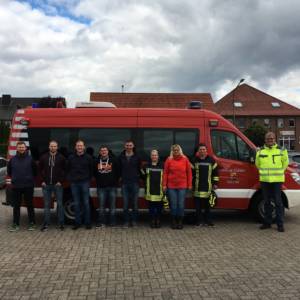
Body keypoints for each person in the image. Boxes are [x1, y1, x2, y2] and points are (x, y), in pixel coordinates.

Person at [255, 132, 289, 232]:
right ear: (265, 140)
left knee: (278, 202)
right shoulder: (260, 151)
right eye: (268, 139)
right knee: (267, 202)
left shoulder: (281, 150)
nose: (270, 140)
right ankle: (267, 222)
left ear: (275, 139)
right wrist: (262, 172)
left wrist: (281, 171)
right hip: (265, 180)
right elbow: (257, 164)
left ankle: (280, 224)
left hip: (277, 180)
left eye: (272, 139)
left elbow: (286, 162)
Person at [7, 141, 37, 231]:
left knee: (30, 205)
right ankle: (15, 224)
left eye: (23, 147)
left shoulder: (31, 159)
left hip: (28, 186)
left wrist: (29, 179)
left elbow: (35, 172)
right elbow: (9, 172)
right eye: (19, 147)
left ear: (26, 148)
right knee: (16, 206)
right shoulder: (12, 160)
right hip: (16, 186)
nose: (21, 148)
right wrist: (15, 179)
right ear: (17, 148)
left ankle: (32, 223)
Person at [163, 144, 192, 229]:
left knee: (181, 205)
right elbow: (165, 173)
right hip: (171, 186)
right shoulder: (169, 160)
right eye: (174, 150)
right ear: (172, 151)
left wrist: (190, 184)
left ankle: (180, 222)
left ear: (180, 150)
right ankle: (173, 221)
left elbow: (189, 173)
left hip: (182, 186)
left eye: (177, 150)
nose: (176, 151)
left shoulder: (185, 159)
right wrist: (164, 184)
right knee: (174, 205)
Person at [39, 140, 66, 231]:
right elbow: (39, 170)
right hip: (46, 185)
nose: (53, 148)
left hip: (57, 185)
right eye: (51, 146)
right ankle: (46, 224)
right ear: (49, 147)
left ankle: (61, 223)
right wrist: (42, 181)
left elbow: (65, 171)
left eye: (54, 146)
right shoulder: (43, 157)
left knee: (60, 204)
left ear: (57, 147)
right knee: (46, 205)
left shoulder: (62, 158)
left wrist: (61, 181)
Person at [67, 140, 94, 230]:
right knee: (77, 203)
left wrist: (88, 179)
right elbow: (68, 169)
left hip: (84, 183)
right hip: (74, 183)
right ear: (75, 147)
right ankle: (77, 223)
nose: (79, 147)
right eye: (78, 146)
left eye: (81, 146)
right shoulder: (71, 158)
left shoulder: (88, 157)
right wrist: (70, 179)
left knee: (86, 203)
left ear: (84, 147)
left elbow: (91, 170)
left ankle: (88, 223)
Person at [191, 143, 219, 227]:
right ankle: (199, 221)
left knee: (208, 206)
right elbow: (191, 174)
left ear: (206, 151)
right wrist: (191, 184)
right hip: (197, 187)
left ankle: (208, 221)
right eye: (200, 150)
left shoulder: (211, 160)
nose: (202, 151)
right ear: (198, 151)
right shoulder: (194, 160)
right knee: (198, 207)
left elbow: (215, 173)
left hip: (208, 186)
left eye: (204, 149)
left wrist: (215, 183)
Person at [95, 145, 119, 227]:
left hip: (112, 187)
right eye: (102, 150)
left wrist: (114, 181)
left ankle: (112, 222)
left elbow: (118, 172)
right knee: (101, 206)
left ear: (108, 151)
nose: (103, 152)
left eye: (105, 150)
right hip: (101, 187)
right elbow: (94, 173)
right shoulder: (96, 161)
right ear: (99, 152)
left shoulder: (114, 160)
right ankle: (102, 222)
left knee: (112, 206)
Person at [119, 140, 141, 227]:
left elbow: (139, 169)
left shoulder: (137, 157)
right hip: (124, 183)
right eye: (127, 145)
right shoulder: (121, 157)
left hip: (135, 183)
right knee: (125, 204)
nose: (128, 147)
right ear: (125, 147)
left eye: (130, 145)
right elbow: (119, 169)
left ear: (133, 146)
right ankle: (126, 221)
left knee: (135, 204)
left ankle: (134, 221)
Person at [141, 149, 164, 228]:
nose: (154, 156)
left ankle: (158, 220)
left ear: (158, 156)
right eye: (153, 155)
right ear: (150, 156)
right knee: (151, 207)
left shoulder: (162, 165)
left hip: (160, 190)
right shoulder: (146, 166)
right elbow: (143, 176)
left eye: (155, 155)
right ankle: (152, 220)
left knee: (159, 208)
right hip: (150, 190)